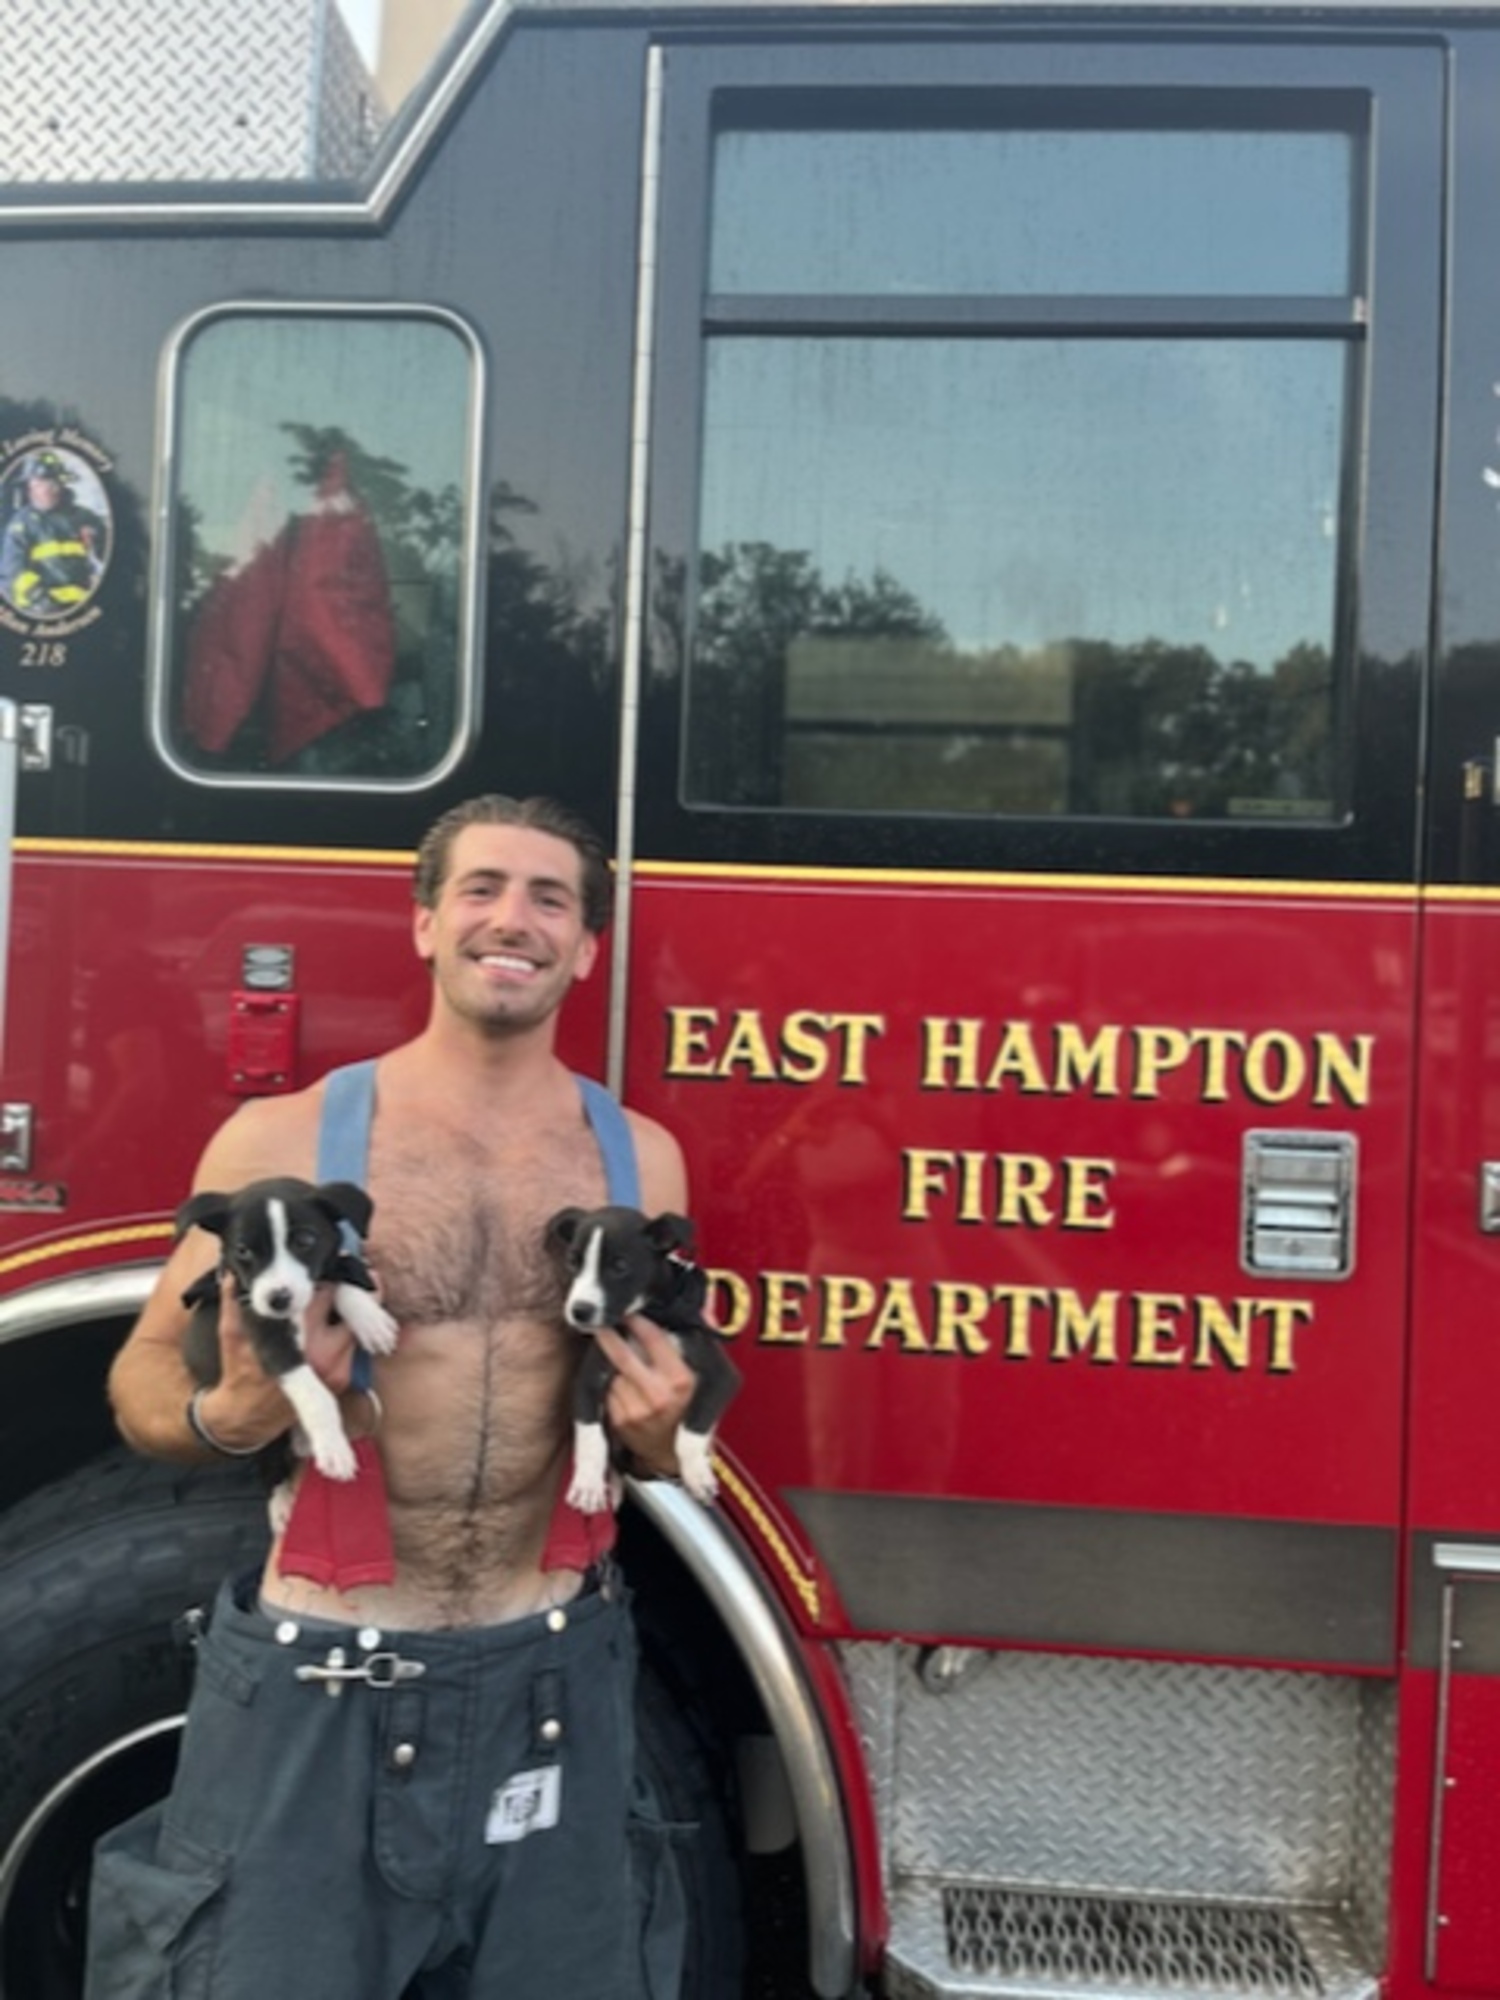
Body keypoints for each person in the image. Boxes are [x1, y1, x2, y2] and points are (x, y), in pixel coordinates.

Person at [86, 793, 699, 1999]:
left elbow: (649, 1418)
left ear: (587, 949)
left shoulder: (643, 1160)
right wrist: (231, 1417)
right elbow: (143, 1375)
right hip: (319, 1682)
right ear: (424, 922)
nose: (508, 919)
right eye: (478, 889)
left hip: (555, 1675)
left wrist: (665, 1440)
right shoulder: (288, 1135)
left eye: (549, 898)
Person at [0, 448, 107, 617]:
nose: (45, 490)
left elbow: (113, 558)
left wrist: (96, 541)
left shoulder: (85, 518)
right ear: (28, 488)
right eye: (37, 484)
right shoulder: (21, 524)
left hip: (83, 608)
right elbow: (12, 572)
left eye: (51, 483)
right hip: (41, 612)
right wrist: (38, 598)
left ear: (61, 484)